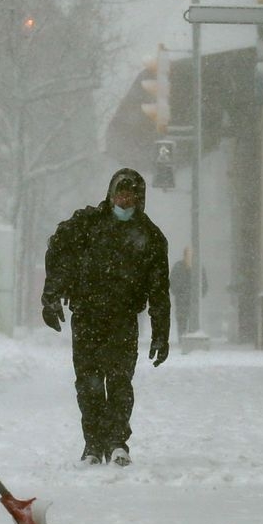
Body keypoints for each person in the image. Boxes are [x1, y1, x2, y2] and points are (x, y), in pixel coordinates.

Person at [41, 168, 170, 467]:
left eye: (131, 195)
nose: (124, 201)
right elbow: (57, 251)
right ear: (110, 195)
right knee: (88, 383)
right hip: (87, 316)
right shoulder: (85, 225)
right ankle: (93, 444)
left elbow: (159, 290)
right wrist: (51, 296)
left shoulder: (150, 238)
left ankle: (116, 442)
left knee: (120, 381)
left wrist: (161, 332)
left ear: (140, 199)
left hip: (122, 320)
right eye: (120, 193)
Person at [169, 246, 208, 343]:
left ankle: (191, 340)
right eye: (188, 254)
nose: (190, 257)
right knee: (182, 321)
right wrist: (179, 292)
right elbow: (172, 282)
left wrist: (199, 295)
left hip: (194, 300)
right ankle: (182, 340)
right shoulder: (178, 267)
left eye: (192, 255)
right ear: (184, 255)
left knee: (193, 321)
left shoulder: (198, 268)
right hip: (181, 300)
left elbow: (204, 283)